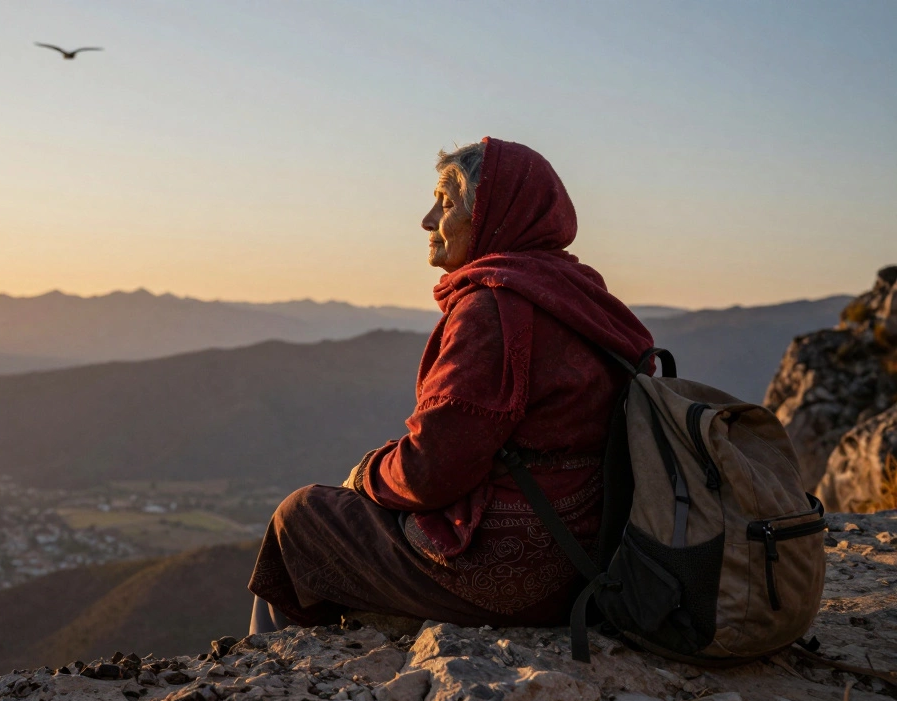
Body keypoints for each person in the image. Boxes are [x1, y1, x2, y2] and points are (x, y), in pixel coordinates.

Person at [248, 137, 654, 634]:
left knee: (301, 518)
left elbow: (429, 471)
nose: (426, 221)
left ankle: (282, 680)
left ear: (491, 216)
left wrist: (365, 474)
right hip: (597, 556)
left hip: (514, 571)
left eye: (445, 204)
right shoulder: (582, 297)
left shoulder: (493, 310)